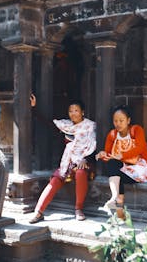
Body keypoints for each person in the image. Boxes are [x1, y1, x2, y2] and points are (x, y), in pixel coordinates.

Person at [29, 94, 97, 224]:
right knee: (55, 179)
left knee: (81, 172)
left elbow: (94, 145)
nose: (73, 113)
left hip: (85, 161)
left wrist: (85, 159)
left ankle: (78, 209)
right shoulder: (66, 126)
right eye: (70, 111)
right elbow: (48, 122)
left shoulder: (90, 126)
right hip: (67, 162)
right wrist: (34, 108)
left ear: (82, 112)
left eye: (76, 110)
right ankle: (38, 212)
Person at [96, 105, 147, 217]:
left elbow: (140, 148)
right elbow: (109, 155)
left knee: (116, 173)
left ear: (128, 120)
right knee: (112, 165)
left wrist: (121, 155)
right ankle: (116, 199)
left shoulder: (136, 130)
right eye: (115, 121)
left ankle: (118, 205)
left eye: (121, 120)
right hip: (122, 168)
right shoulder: (112, 135)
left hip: (138, 169)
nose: (118, 124)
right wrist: (103, 155)